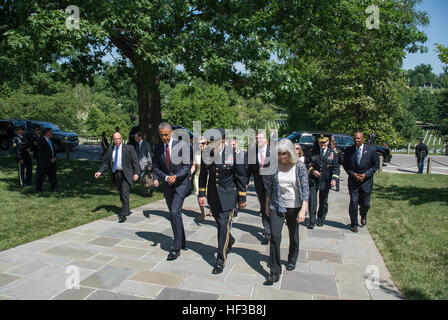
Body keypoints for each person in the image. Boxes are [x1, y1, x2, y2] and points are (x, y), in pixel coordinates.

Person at [198, 128, 247, 274]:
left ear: (223, 141)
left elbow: (241, 177)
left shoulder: (235, 155)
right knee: (220, 224)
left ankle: (220, 259)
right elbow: (203, 175)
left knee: (223, 225)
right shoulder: (206, 154)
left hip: (229, 195)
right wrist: (201, 194)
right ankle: (229, 240)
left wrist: (242, 197)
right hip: (213, 195)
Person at [265, 139, 309, 284]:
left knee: (293, 234)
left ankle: (292, 258)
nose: (282, 157)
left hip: (295, 206)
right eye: (279, 154)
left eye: (284, 153)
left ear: (290, 152)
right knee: (275, 236)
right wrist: (266, 205)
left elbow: (306, 190)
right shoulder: (274, 166)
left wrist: (303, 210)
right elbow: (270, 187)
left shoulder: (300, 167)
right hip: (277, 205)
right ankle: (274, 270)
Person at [152, 122, 192, 261]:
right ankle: (182, 240)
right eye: (161, 135)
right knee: (174, 213)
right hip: (167, 184)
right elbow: (155, 167)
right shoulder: (157, 148)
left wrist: (177, 176)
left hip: (181, 184)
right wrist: (166, 177)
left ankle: (176, 247)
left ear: (172, 133)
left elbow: (187, 165)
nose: (164, 138)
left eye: (166, 135)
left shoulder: (182, 145)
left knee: (175, 211)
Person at [94, 132, 140, 223]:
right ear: (113, 140)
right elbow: (106, 163)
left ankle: (123, 214)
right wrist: (99, 172)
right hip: (116, 174)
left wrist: (136, 173)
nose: (117, 140)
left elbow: (135, 161)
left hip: (126, 174)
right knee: (120, 193)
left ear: (121, 139)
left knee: (124, 192)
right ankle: (127, 208)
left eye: (118, 138)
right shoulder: (110, 149)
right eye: (115, 139)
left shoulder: (128, 148)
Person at [343, 131, 379, 233]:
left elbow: (375, 166)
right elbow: (345, 165)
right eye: (354, 138)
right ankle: (354, 223)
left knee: (366, 203)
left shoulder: (371, 150)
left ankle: (363, 214)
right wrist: (353, 174)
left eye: (358, 138)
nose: (356, 140)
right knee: (353, 202)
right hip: (353, 181)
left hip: (366, 182)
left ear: (363, 139)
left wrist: (365, 175)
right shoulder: (349, 150)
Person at [306, 134, 340, 229]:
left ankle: (321, 218)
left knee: (323, 200)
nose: (322, 144)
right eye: (320, 142)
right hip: (313, 180)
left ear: (328, 142)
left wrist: (334, 179)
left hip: (325, 181)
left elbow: (336, 168)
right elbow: (307, 164)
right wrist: (312, 171)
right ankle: (312, 220)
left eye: (324, 142)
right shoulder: (312, 152)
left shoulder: (333, 153)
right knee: (312, 200)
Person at [246, 131, 271, 245]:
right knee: (263, 207)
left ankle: (273, 228)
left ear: (266, 139)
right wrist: (245, 182)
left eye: (261, 138)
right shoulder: (252, 152)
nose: (258, 140)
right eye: (257, 138)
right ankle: (267, 231)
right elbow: (249, 169)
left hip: (271, 184)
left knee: (271, 207)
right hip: (259, 184)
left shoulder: (273, 151)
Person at [134, 132, 158, 197]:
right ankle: (144, 193)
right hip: (139, 165)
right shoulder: (137, 145)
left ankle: (151, 190)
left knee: (149, 178)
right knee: (142, 179)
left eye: (136, 137)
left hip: (146, 165)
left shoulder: (145, 144)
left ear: (140, 137)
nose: (135, 138)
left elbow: (149, 154)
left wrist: (150, 164)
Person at [230, 137, 248, 218]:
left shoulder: (242, 153)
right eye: (231, 145)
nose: (232, 146)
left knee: (238, 192)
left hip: (240, 177)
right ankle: (234, 208)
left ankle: (236, 206)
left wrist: (246, 181)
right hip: (231, 180)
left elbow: (246, 168)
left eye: (234, 144)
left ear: (236, 144)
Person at [36, 127, 58, 192]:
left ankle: (54, 188)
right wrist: (49, 159)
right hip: (44, 162)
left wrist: (54, 157)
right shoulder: (41, 141)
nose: (52, 133)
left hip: (52, 161)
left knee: (53, 176)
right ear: (47, 133)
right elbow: (41, 153)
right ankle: (38, 189)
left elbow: (53, 150)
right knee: (41, 176)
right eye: (51, 132)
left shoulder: (51, 140)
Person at [191, 137, 207, 221]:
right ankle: (203, 214)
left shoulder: (211, 153)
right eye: (199, 143)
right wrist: (189, 174)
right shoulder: (196, 153)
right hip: (198, 177)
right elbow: (194, 166)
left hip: (208, 178)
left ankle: (212, 210)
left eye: (203, 143)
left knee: (210, 196)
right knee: (199, 195)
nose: (201, 145)